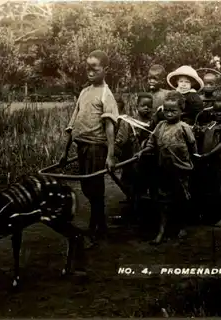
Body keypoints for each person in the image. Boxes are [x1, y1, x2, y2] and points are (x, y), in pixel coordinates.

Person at [60, 50, 119, 244]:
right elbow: (73, 122)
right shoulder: (84, 91)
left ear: (105, 70)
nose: (90, 71)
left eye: (95, 68)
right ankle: (98, 224)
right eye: (88, 67)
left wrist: (110, 155)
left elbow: (110, 127)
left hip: (96, 147)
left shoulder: (106, 94)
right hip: (82, 145)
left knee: (94, 187)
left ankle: (98, 226)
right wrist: (65, 152)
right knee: (86, 187)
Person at [136, 91, 197, 244]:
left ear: (181, 111)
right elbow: (152, 142)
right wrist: (143, 151)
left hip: (181, 169)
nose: (169, 114)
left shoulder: (184, 127)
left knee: (181, 198)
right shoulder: (160, 126)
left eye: (173, 110)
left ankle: (182, 225)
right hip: (164, 169)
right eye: (166, 110)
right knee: (163, 199)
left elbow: (192, 146)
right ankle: (161, 230)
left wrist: (194, 161)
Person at [192, 96, 221, 227]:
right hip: (208, 160)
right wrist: (198, 131)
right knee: (210, 186)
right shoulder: (211, 124)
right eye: (216, 111)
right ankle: (210, 214)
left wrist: (208, 154)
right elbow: (204, 134)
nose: (219, 114)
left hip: (220, 160)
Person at [114, 92, 155, 221]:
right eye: (143, 105)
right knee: (133, 184)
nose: (146, 108)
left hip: (150, 158)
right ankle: (135, 208)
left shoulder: (154, 122)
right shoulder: (129, 122)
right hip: (133, 160)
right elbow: (121, 140)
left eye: (149, 106)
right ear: (137, 106)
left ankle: (148, 210)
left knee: (151, 184)